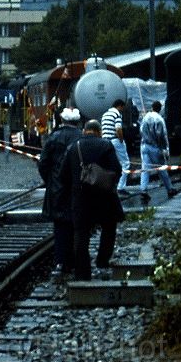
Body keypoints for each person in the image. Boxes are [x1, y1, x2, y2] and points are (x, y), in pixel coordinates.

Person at [60, 119, 125, 280]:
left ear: (84, 131)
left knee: (81, 234)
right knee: (109, 228)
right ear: (99, 131)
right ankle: (102, 260)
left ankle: (83, 272)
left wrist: (74, 188)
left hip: (80, 199)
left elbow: (62, 175)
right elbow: (117, 169)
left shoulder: (74, 147)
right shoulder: (105, 145)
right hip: (104, 198)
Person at [38, 107, 82, 278]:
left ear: (62, 121)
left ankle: (61, 261)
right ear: (77, 122)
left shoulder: (53, 137)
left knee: (60, 227)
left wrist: (49, 179)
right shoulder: (81, 137)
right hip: (78, 188)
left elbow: (43, 164)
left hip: (57, 188)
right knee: (77, 225)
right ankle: (76, 260)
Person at [139, 100, 179, 202]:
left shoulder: (145, 117)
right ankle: (169, 189)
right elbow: (162, 136)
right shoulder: (159, 120)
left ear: (152, 107)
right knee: (161, 169)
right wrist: (165, 150)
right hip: (155, 147)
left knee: (145, 169)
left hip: (144, 145)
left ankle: (143, 189)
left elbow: (140, 130)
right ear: (160, 109)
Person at [101, 99, 132, 194]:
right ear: (120, 106)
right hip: (115, 140)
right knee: (125, 163)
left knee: (109, 164)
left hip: (105, 141)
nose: (122, 109)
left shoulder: (105, 114)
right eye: (123, 107)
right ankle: (121, 187)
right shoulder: (117, 114)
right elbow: (118, 128)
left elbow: (102, 129)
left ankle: (109, 186)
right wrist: (121, 140)